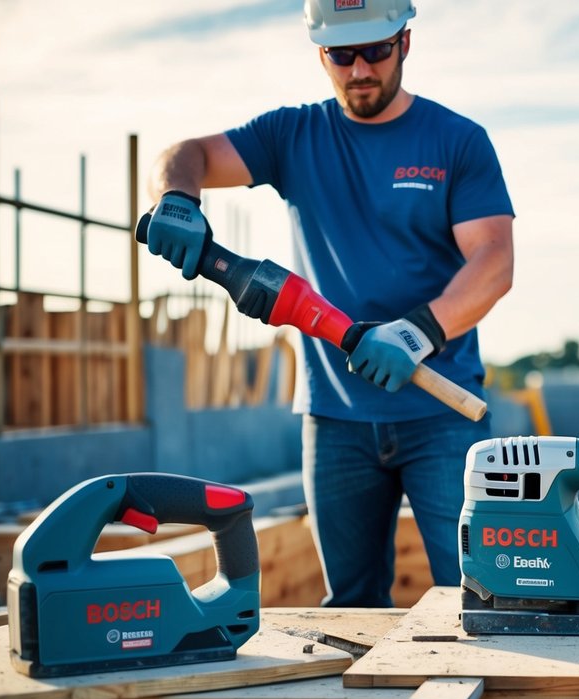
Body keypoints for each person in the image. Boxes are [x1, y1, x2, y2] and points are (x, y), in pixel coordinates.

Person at [144, 0, 514, 607]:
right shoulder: (293, 137)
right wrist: (175, 197)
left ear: (405, 43)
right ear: (322, 54)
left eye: (376, 51)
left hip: (440, 415)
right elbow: (184, 154)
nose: (360, 69)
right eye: (342, 56)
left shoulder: (457, 141)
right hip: (335, 421)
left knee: (481, 598)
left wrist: (417, 332)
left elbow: (494, 262)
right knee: (353, 606)